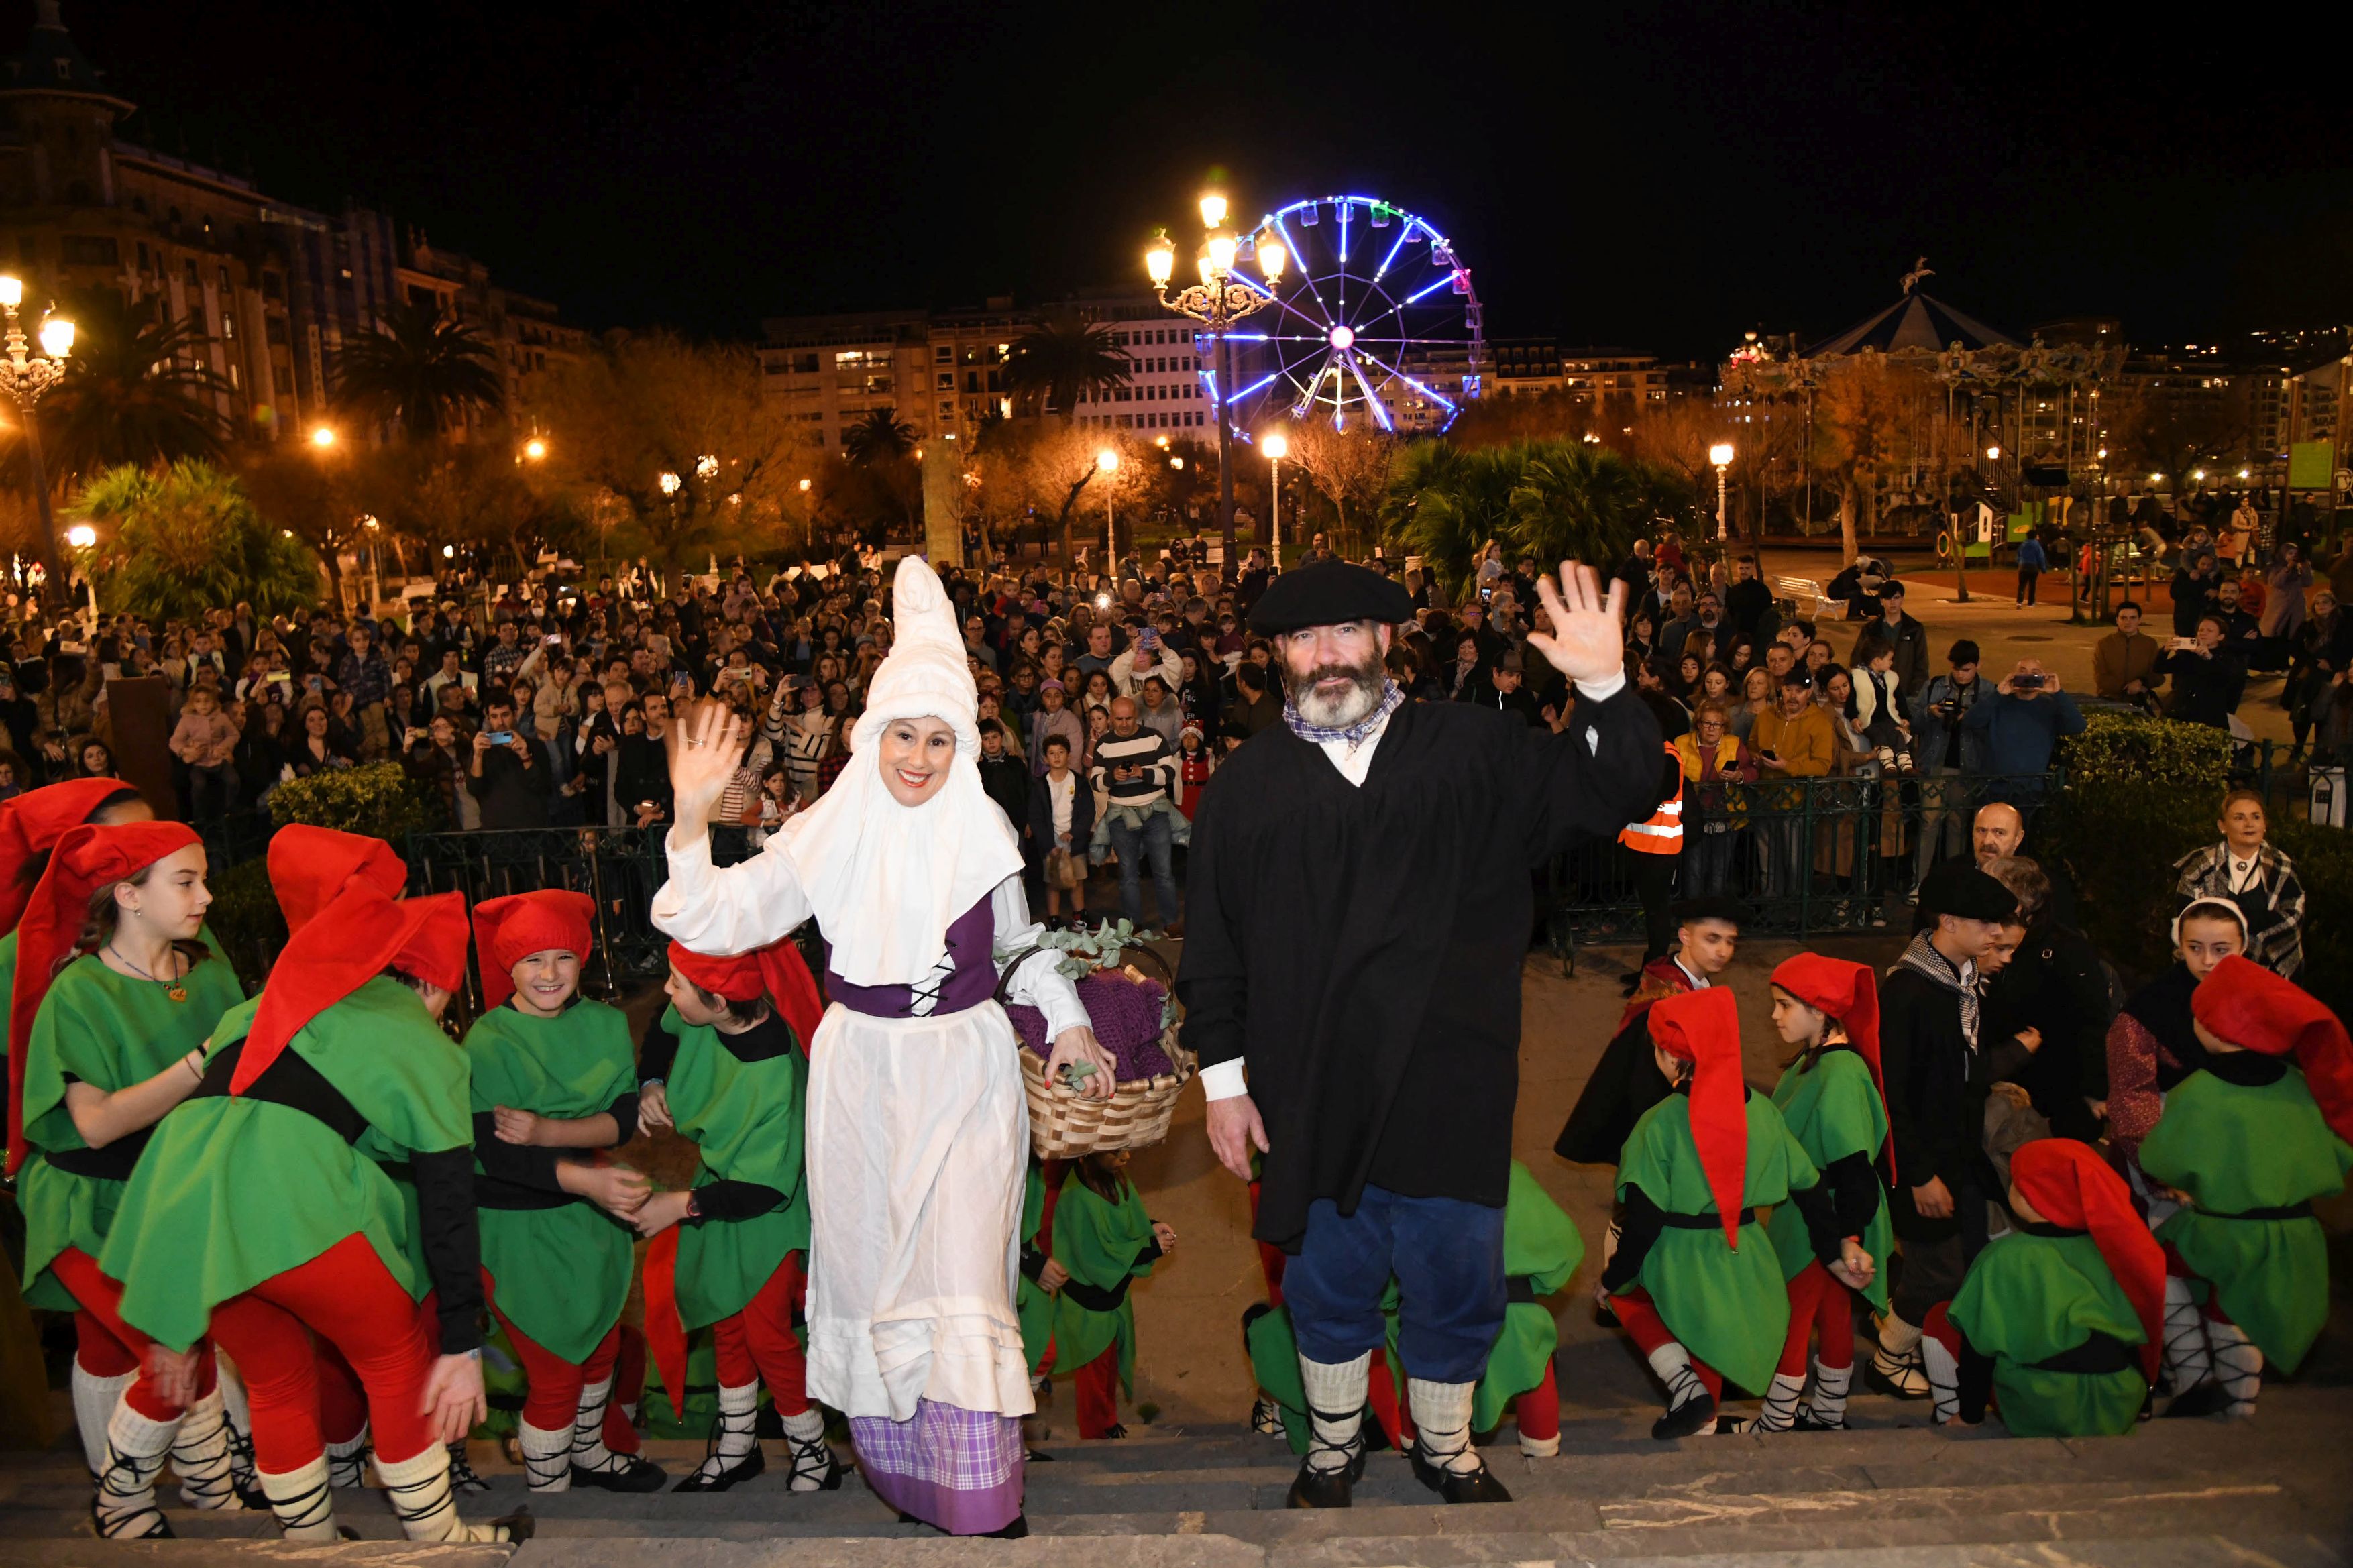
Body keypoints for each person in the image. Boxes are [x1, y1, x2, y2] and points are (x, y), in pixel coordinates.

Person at [1183, 557, 1660, 1508]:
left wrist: (1604, 685)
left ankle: (1447, 1447)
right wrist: (1223, 1084)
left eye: (1348, 632)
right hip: (1310, 1089)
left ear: (1387, 640)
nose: (1328, 656)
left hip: (1453, 1079)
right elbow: (1213, 948)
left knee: (1456, 1283)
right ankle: (1330, 1448)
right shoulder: (1246, 787)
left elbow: (1623, 791)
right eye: (1305, 639)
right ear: (1275, 654)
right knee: (1326, 1289)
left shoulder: (1474, 748)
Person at [649, 556, 1108, 1540]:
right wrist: (692, 819)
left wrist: (1067, 1019)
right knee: (873, 1271)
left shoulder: (984, 824)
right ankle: (910, 1481)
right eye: (904, 732)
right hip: (860, 1072)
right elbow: (724, 915)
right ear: (871, 734)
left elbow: (1022, 946)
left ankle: (983, 1492)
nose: (920, 756)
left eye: (940, 737)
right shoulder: (832, 824)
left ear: (963, 744)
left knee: (966, 1271)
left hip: (967, 1068)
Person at [96, 827, 525, 1545]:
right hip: (290, 1200)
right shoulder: (417, 1039)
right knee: (393, 1356)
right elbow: (449, 1200)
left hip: (183, 1212)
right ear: (430, 984)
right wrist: (458, 1342)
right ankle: (438, 1541)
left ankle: (307, 1542)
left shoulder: (258, 1007)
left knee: (274, 1378)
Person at [8, 821, 248, 1535]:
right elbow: (96, 1124)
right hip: (91, 1201)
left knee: (154, 1349)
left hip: (173, 1198)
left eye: (204, 878)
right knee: (170, 1347)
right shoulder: (78, 993)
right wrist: (204, 1059)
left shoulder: (209, 970)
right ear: (128, 895)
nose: (206, 895)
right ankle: (120, 1500)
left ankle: (209, 1493)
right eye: (186, 881)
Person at [460, 892, 665, 1495]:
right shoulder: (487, 1041)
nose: (548, 975)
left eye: (562, 958)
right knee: (554, 1371)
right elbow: (496, 1156)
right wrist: (586, 1172)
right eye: (531, 961)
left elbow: (624, 1120)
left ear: (583, 959)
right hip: (519, 1228)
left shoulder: (603, 1023)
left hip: (591, 1220)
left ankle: (591, 1454)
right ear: (508, 967)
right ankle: (551, 1499)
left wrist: (550, 1131)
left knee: (601, 1350)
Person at [633, 936, 843, 1494]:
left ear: (719, 1003)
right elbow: (661, 1024)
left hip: (763, 1210)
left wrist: (677, 1206)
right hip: (720, 1193)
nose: (667, 990)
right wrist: (650, 1080)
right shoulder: (709, 1016)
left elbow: (765, 1190)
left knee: (766, 1333)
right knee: (727, 1321)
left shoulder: (775, 1070)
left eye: (677, 983)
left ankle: (814, 1454)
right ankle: (737, 1447)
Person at [1599, 988, 1858, 1439]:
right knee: (1718, 1343)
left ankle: (1692, 1404)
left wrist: (1610, 1280)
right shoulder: (1761, 1111)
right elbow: (1810, 1188)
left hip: (1682, 1258)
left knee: (1637, 1306)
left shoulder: (1658, 1125)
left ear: (1666, 1055)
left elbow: (1641, 1222)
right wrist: (1832, 1250)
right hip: (1748, 1253)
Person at [2136, 958, 2352, 1418]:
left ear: (2215, 1028)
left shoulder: (2199, 1092)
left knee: (2157, 1266)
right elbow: (2338, 1156)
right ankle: (2239, 1405)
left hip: (2225, 1235)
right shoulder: (2299, 1086)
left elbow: (2161, 1159)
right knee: (2240, 1308)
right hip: (2296, 1240)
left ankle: (2197, 1375)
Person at [1871, 863, 2019, 1398]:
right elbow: (1893, 1096)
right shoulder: (1911, 992)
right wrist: (1919, 1174)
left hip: (1958, 1158)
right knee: (1937, 1273)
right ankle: (1889, 1359)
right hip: (1924, 1166)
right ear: (1950, 922)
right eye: (1988, 924)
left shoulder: (1963, 981)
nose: (1997, 935)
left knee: (1956, 1262)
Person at [1920, 1139, 2164, 1436]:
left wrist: (1971, 1416)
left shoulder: (2002, 1257)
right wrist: (2143, 1401)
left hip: (2043, 1406)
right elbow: (2136, 1330)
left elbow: (1978, 1350)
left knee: (1943, 1318)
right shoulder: (2112, 1251)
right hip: (2118, 1400)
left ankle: (1954, 1419)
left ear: (2029, 1196)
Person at [1739, 956, 1890, 1434]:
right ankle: (1828, 1410)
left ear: (1822, 1012)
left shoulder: (1838, 1073)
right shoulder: (1821, 1062)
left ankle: (1778, 1418)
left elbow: (1852, 1164)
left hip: (1820, 1213)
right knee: (1833, 1309)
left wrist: (1849, 1234)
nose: (1775, 1016)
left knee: (1793, 1313)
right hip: (1819, 1208)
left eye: (1785, 1006)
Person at [1042, 1148, 1176, 1440]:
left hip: (1110, 1302)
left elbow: (1125, 1224)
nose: (1126, 1156)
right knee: (1093, 1378)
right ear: (1088, 1154)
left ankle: (1108, 1421)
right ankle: (1096, 1435)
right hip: (1090, 1308)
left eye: (1127, 1146)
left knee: (1109, 1369)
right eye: (1116, 1151)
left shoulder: (1111, 1176)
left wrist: (1151, 1228)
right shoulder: (1077, 1197)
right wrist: (1150, 1248)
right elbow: (1098, 1259)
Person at [1979, 856, 2107, 1142]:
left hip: (2055, 1102)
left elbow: (2093, 1024)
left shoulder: (2067, 953)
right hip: (2002, 1088)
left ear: (2019, 909)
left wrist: (2094, 1092)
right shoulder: (1982, 941)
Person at [2170, 791, 2303, 980]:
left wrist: (2230, 925)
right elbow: (2186, 919)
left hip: (2267, 974)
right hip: (2208, 973)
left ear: (2265, 825)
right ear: (2222, 826)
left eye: (2256, 817)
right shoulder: (2198, 866)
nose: (2249, 824)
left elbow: (2292, 919)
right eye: (2239, 818)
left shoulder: (2283, 867)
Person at [1090, 696, 1182, 935]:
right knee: (1128, 874)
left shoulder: (1154, 737)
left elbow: (1170, 772)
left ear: (1136, 716)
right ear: (1111, 718)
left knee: (1164, 872)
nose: (1123, 724)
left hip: (1156, 812)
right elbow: (1095, 781)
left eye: (1128, 718)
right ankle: (1134, 925)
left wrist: (1144, 773)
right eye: (1118, 719)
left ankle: (1170, 922)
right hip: (1121, 815)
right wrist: (1112, 777)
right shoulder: (1103, 744)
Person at [1910, 642, 1988, 888]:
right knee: (1929, 822)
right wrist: (1930, 712)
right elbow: (1913, 720)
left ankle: (1954, 883)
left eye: (1966, 670)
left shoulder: (1987, 691)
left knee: (1958, 823)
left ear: (1977, 666)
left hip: (1966, 768)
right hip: (1935, 764)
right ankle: (1920, 883)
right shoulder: (1936, 686)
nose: (1960, 674)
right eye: (1956, 669)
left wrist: (1971, 716)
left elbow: (1991, 726)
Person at [1963, 659, 2083, 780]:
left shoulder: (2049, 708)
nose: (2028, 676)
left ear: (2043, 677)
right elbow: (1970, 721)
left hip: (2033, 790)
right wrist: (1998, 694)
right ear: (2013, 676)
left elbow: (2078, 726)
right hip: (1995, 787)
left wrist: (2058, 693)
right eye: (2023, 671)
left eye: (2034, 673)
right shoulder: (1997, 703)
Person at [1027, 734, 1093, 927]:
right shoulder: (1040, 786)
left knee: (1078, 879)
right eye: (1052, 753)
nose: (1057, 757)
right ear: (1045, 758)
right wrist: (1049, 845)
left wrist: (1074, 832)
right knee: (1053, 882)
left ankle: (1079, 917)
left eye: (1061, 753)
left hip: (1074, 840)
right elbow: (1036, 818)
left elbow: (1088, 812)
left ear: (1069, 755)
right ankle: (1054, 919)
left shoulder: (1079, 782)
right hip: (1051, 841)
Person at [468, 697, 553, 829]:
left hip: (531, 828)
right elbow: (474, 789)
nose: (500, 722)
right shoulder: (482, 750)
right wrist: (477, 756)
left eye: (505, 715)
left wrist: (524, 755)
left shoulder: (536, 746)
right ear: (488, 718)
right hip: (495, 829)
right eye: (494, 716)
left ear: (515, 714)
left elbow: (544, 787)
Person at [2093, 602, 2163, 709]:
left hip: (2140, 702)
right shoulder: (2104, 644)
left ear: (2139, 620)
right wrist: (2128, 688)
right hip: (2109, 702)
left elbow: (2158, 675)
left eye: (2133, 618)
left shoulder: (2150, 644)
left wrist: (2141, 683)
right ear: (2117, 620)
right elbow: (2100, 677)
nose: (2128, 622)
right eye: (2123, 618)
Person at [2014, 530, 2048, 606]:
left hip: (2023, 566)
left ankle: (2019, 601)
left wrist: (2019, 563)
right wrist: (2043, 569)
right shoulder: (2037, 545)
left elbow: (2018, 555)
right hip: (2033, 567)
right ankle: (2031, 602)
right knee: (2032, 585)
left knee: (2022, 585)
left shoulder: (2023, 544)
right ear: (2036, 536)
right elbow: (2041, 557)